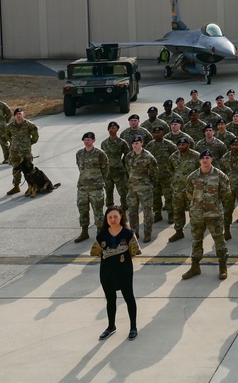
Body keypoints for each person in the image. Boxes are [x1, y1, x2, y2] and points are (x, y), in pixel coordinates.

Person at [90, 206, 141, 340]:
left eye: (115, 217)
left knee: (129, 298)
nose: (113, 220)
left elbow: (133, 253)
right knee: (110, 300)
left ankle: (133, 327)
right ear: (106, 219)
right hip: (107, 273)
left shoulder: (128, 234)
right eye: (110, 217)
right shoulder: (101, 235)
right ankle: (111, 326)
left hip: (124, 272)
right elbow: (96, 252)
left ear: (121, 217)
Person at [181, 151, 231, 281]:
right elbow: (189, 193)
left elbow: (226, 194)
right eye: (202, 158)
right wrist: (195, 206)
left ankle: (222, 266)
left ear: (211, 160)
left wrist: (216, 205)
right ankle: (195, 266)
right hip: (197, 214)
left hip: (214, 214)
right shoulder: (192, 176)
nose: (205, 160)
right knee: (196, 240)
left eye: (207, 158)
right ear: (199, 161)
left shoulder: (220, 176)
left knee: (219, 240)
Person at [124, 135, 159, 243]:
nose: (135, 145)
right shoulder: (129, 156)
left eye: (137, 143)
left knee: (147, 212)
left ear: (141, 143)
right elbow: (128, 169)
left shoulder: (148, 157)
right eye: (133, 144)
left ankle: (147, 233)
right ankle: (134, 232)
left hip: (145, 189)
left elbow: (154, 173)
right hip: (132, 188)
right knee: (132, 212)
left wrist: (150, 185)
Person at [75, 131, 109, 243]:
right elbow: (80, 167)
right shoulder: (79, 153)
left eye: (89, 140)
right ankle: (84, 232)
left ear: (93, 140)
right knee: (82, 210)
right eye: (85, 140)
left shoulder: (100, 154)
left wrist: (99, 181)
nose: (86, 142)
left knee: (98, 211)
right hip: (83, 187)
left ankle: (100, 232)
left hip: (96, 188)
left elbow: (105, 169)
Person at [5, 108, 39, 196]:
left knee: (28, 169)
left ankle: (31, 186)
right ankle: (16, 186)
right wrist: (12, 142)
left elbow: (35, 137)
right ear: (14, 116)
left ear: (23, 114)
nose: (18, 116)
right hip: (14, 151)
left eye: (20, 113)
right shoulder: (10, 126)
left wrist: (28, 144)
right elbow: (6, 135)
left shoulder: (29, 125)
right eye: (16, 114)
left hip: (25, 151)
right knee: (15, 169)